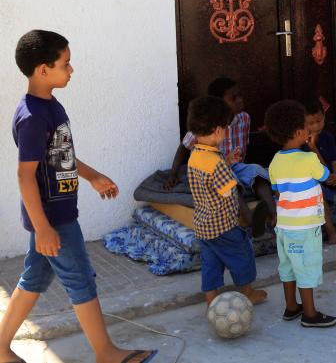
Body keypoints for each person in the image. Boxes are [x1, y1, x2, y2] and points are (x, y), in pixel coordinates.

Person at [1, 29, 156, 363]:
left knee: (35, 277)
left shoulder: (50, 106)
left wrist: (93, 176)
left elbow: (60, 155)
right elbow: (24, 175)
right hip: (54, 218)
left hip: (54, 215)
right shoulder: (32, 117)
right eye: (66, 64)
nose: (72, 70)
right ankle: (106, 353)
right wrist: (42, 227)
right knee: (80, 278)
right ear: (43, 69)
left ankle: (0, 348)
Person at [164, 77, 276, 237]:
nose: (240, 100)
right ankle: (251, 221)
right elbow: (184, 146)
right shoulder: (205, 125)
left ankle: (274, 215)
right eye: (233, 98)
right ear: (219, 103)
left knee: (256, 171)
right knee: (230, 182)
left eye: (240, 96)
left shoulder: (244, 118)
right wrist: (173, 173)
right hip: (214, 170)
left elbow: (244, 148)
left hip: (234, 164)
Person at [185, 96, 267, 307]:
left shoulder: (196, 154)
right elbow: (228, 190)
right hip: (224, 226)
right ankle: (247, 292)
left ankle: (211, 300)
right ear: (219, 130)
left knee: (210, 263)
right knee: (242, 256)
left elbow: (211, 171)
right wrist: (246, 215)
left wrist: (227, 160)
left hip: (203, 226)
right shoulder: (216, 164)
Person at [265, 100, 336, 327]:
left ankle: (291, 307)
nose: (310, 130)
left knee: (287, 267)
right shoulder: (308, 158)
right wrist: (314, 148)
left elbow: (277, 190)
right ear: (299, 132)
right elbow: (326, 176)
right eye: (307, 126)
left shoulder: (275, 161)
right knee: (306, 268)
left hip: (285, 228)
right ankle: (310, 313)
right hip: (305, 227)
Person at [301, 97, 336, 244]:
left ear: (324, 117)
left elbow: (334, 161)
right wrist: (313, 149)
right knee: (319, 197)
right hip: (314, 179)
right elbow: (318, 170)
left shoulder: (327, 136)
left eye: (319, 121)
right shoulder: (302, 143)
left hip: (330, 174)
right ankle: (331, 233)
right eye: (311, 123)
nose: (316, 126)